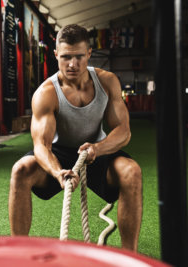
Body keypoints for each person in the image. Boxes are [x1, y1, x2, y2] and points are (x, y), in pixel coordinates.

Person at [8, 24, 142, 251]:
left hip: (95, 150)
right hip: (58, 153)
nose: (73, 64)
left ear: (89, 54)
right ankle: (18, 253)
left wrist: (97, 149)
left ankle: (130, 255)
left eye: (79, 56)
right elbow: (41, 145)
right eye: (66, 57)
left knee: (132, 172)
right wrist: (57, 171)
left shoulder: (107, 82)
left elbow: (123, 131)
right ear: (56, 55)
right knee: (21, 170)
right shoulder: (46, 93)